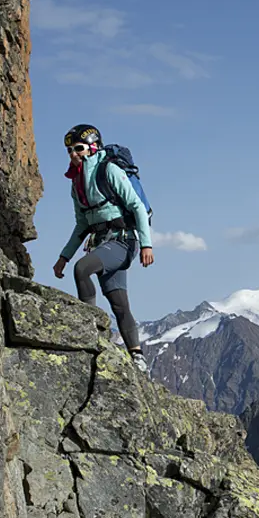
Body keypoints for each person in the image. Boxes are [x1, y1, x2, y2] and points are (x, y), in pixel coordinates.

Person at [52, 124, 154, 373]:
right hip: (101, 243)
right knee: (119, 303)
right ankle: (137, 356)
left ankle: (89, 333)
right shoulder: (76, 182)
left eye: (78, 148)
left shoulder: (109, 170)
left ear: (93, 147)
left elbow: (137, 207)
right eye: (69, 150)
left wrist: (146, 244)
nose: (73, 154)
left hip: (123, 241)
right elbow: (82, 225)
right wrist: (63, 257)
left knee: (82, 269)